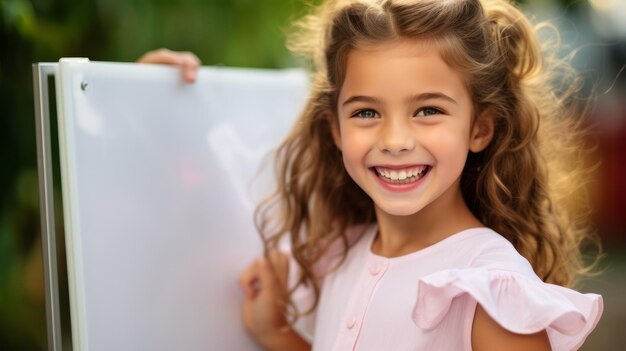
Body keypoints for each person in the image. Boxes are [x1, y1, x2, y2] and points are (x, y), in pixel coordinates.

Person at [139, 0, 603, 350]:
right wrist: (144, 101)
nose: (395, 139)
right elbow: (207, 190)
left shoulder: (492, 291)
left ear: (479, 128)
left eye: (427, 110)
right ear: (335, 130)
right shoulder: (336, 254)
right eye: (366, 112)